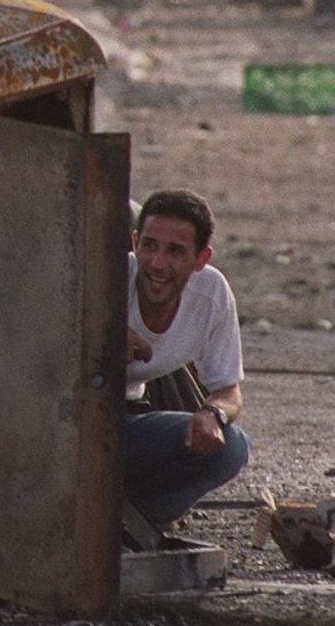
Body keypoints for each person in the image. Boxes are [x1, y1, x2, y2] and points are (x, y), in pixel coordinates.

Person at [124, 190, 249, 530]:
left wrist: (212, 414)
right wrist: (98, 341)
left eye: (176, 251)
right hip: (66, 423)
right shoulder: (111, 276)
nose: (158, 263)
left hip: (126, 426)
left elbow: (228, 391)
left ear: (201, 258)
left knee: (232, 448)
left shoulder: (212, 294)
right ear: (135, 242)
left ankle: (131, 522)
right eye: (149, 245)